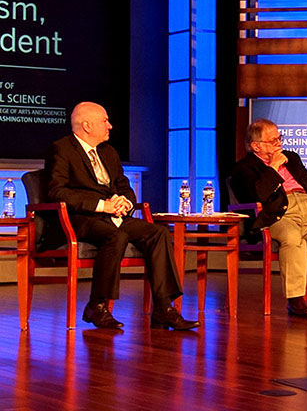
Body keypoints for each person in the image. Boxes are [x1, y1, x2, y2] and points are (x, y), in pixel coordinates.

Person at [46, 101, 200, 330]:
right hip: (83, 218)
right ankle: (97, 306)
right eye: (104, 121)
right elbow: (56, 191)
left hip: (115, 217)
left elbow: (123, 185)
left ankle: (163, 308)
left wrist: (124, 201)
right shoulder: (62, 149)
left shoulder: (108, 152)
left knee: (157, 232)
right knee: (114, 237)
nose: (110, 126)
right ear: (87, 126)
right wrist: (101, 205)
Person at [230, 118, 307, 317]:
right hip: (279, 213)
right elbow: (257, 195)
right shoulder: (243, 168)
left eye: (279, 138)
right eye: (272, 141)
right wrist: (273, 168)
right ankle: (296, 300)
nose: (279, 144)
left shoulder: (292, 158)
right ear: (255, 146)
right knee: (293, 238)